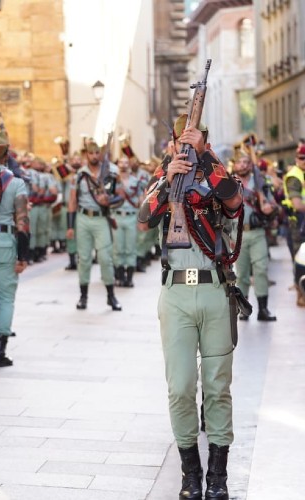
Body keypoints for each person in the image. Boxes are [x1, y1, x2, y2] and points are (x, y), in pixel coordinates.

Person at [139, 116, 243, 500]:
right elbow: (144, 217)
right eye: (179, 141)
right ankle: (190, 472)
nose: (182, 146)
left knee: (218, 387)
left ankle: (218, 476)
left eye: (192, 140)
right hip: (176, 295)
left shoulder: (217, 176)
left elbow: (234, 201)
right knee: (180, 387)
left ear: (202, 141)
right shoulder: (164, 179)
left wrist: (204, 157)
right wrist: (169, 179)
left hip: (215, 292)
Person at [0, 129, 29, 367]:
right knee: (6, 297)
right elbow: (23, 221)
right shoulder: (16, 183)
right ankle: (0, 352)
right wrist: (23, 255)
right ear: (6, 155)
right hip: (5, 242)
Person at [66, 137, 123, 311]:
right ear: (86, 154)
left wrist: (109, 201)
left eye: (97, 152)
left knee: (105, 258)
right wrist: (70, 226)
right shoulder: (80, 174)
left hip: (101, 218)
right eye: (91, 153)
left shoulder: (112, 171)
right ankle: (83, 296)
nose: (94, 155)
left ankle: (111, 296)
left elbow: (121, 196)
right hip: (83, 219)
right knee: (84, 259)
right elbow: (73, 201)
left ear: (101, 154)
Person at [233, 148, 278, 320]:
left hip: (257, 232)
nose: (243, 165)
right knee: (242, 274)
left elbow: (274, 206)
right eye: (240, 162)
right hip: (237, 234)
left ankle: (263, 309)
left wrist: (269, 208)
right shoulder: (229, 183)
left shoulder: (260, 183)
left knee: (261, 269)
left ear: (251, 165)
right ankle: (244, 309)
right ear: (235, 164)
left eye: (246, 162)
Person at [112, 155, 141, 287]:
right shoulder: (113, 181)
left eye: (125, 162)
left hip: (131, 216)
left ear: (128, 165)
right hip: (117, 215)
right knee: (118, 248)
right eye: (121, 162)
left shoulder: (135, 181)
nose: (123, 164)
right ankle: (119, 276)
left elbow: (141, 198)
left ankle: (129, 278)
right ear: (117, 164)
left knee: (130, 247)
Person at [283, 144, 305, 306]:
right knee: (300, 260)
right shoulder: (295, 176)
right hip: (298, 224)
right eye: (300, 158)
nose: (303, 161)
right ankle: (301, 295)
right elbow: (297, 204)